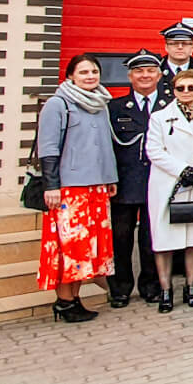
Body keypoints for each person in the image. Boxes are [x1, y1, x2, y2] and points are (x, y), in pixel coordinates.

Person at [36, 53, 118, 322]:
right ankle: (64, 301)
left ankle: (75, 298)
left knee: (86, 249)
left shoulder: (100, 104)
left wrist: (110, 178)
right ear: (70, 75)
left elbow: (106, 146)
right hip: (69, 190)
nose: (90, 76)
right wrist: (52, 185)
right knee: (69, 247)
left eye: (94, 71)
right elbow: (47, 148)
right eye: (83, 72)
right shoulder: (57, 105)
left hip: (96, 188)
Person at [145, 68, 193, 312]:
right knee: (164, 239)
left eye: (191, 88)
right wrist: (182, 170)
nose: (186, 92)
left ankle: (191, 287)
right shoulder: (159, 117)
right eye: (180, 88)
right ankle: (166, 289)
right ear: (173, 90)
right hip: (168, 182)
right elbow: (154, 150)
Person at [107, 50, 170, 308]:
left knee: (151, 238)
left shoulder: (170, 106)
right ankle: (120, 289)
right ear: (130, 76)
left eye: (150, 71)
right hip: (125, 183)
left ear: (159, 75)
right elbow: (107, 148)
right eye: (139, 71)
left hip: (158, 182)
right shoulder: (115, 108)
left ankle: (151, 286)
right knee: (120, 239)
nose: (145, 76)